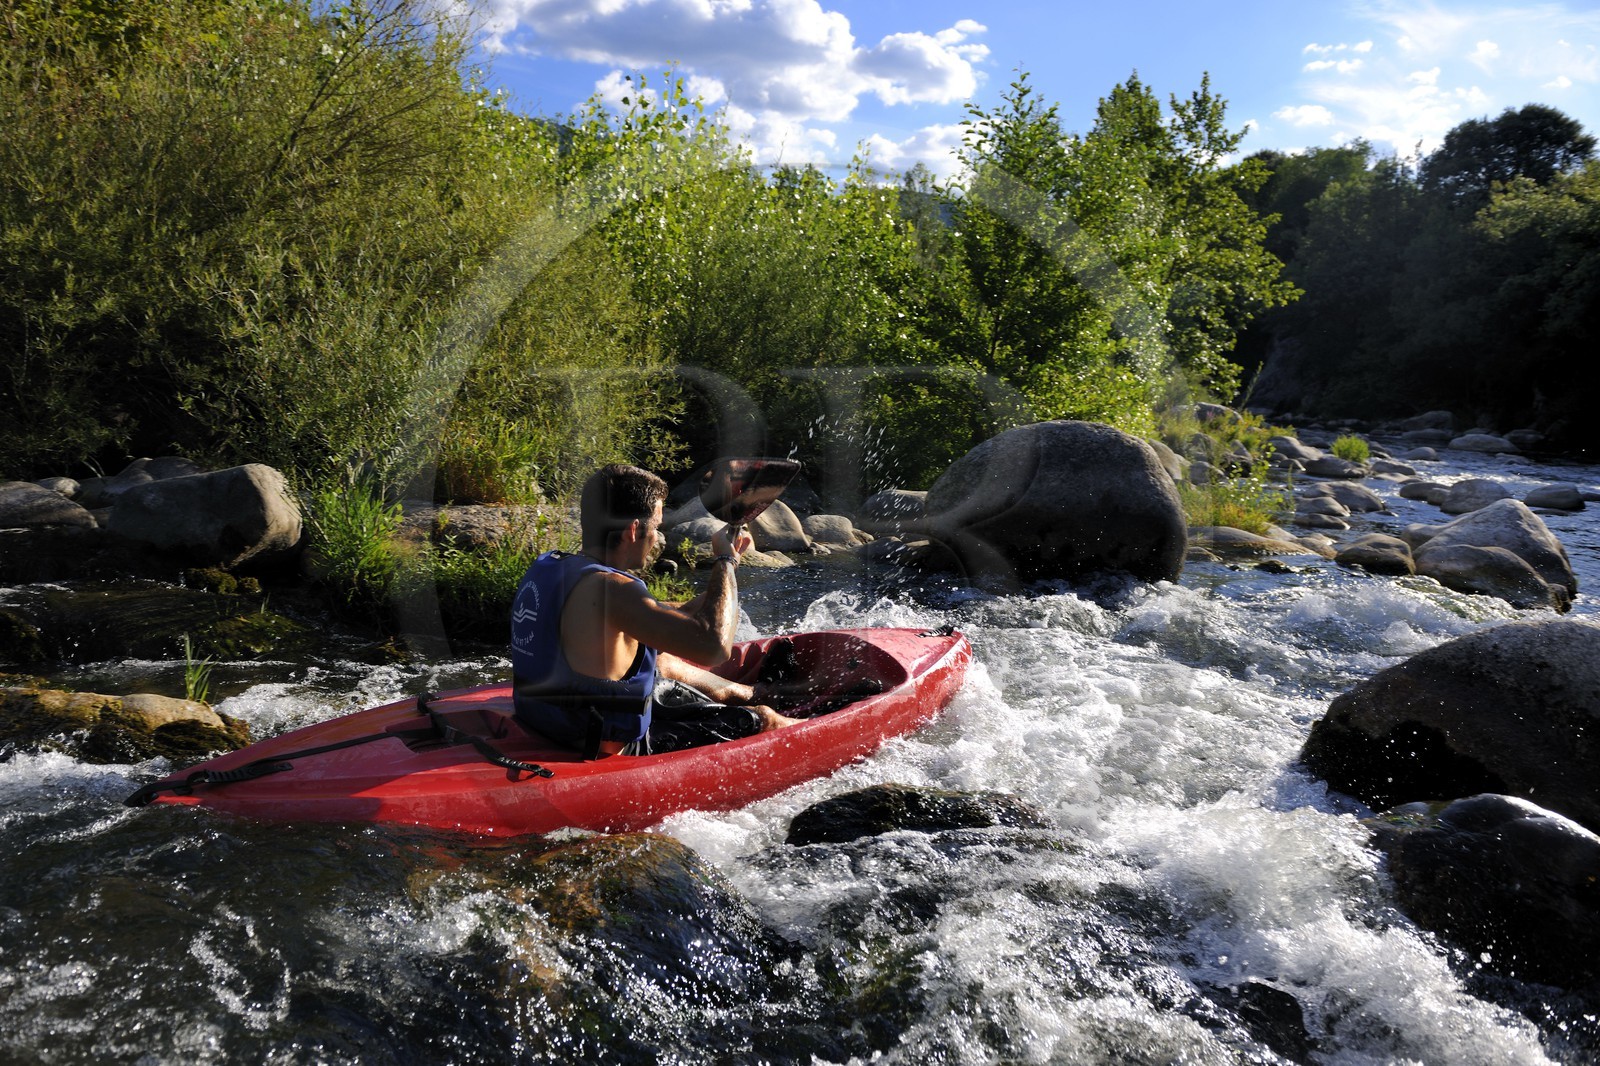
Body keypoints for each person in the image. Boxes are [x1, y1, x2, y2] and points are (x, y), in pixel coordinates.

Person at [510, 463, 800, 757]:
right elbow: (714, 647)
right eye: (657, 527)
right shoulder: (616, 589)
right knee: (762, 719)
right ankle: (786, 717)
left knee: (663, 663)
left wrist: (719, 588)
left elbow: (665, 616)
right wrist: (725, 561)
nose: (656, 539)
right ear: (634, 530)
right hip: (607, 743)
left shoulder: (556, 567)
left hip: (550, 720)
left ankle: (753, 693)